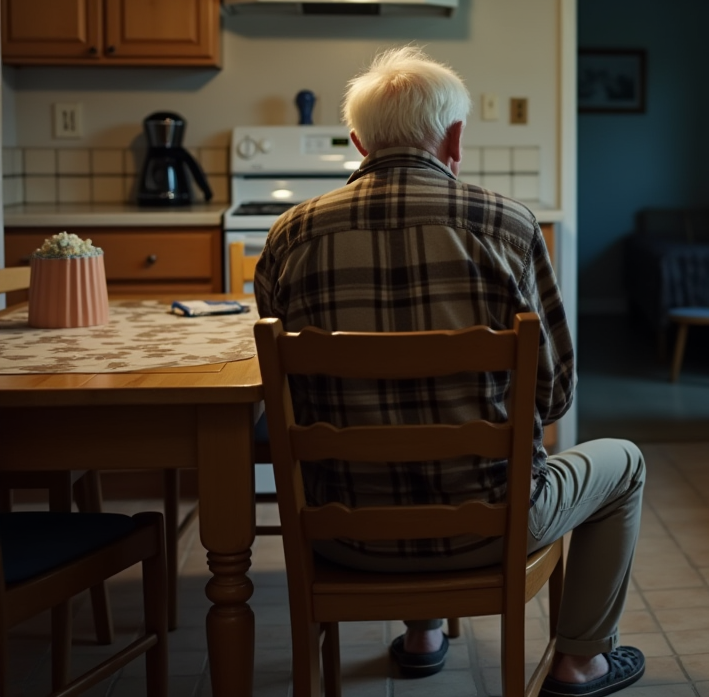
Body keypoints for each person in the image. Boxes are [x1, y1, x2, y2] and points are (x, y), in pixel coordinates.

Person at [254, 45, 647, 697]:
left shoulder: (290, 236)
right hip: (489, 530)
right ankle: (581, 664)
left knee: (391, 421)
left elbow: (287, 400)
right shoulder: (510, 227)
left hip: (342, 533)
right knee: (625, 462)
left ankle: (422, 637)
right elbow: (555, 395)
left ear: (359, 143)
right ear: (455, 137)